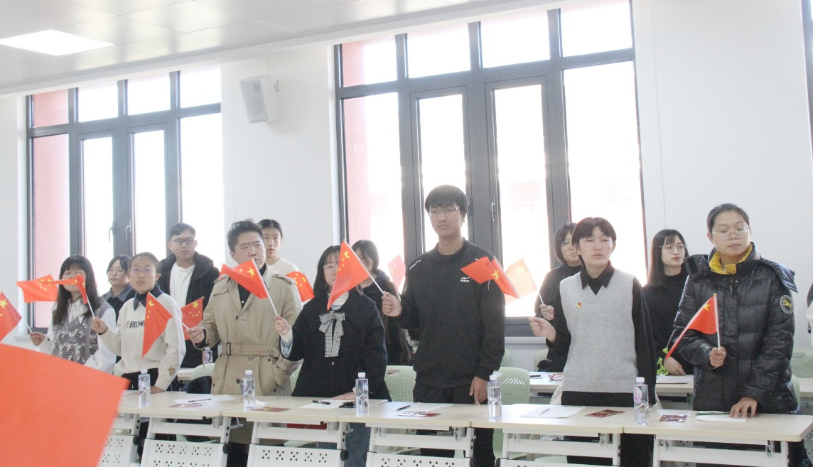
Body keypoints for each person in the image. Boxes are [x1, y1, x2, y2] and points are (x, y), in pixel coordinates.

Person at [673, 203, 808, 466]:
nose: (733, 235)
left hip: (768, 401)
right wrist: (707, 354)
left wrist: (753, 393)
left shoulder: (772, 277)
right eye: (724, 230)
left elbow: (779, 343)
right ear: (710, 236)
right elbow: (683, 335)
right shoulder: (698, 279)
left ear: (750, 231)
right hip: (714, 402)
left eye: (739, 228)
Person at [381, 185, 504, 467]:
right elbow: (413, 319)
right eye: (435, 211)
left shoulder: (483, 262)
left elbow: (495, 326)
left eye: (449, 210)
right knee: (432, 456)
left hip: (471, 380)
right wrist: (399, 312)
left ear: (463, 215)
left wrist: (484, 373)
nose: (442, 217)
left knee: (479, 456)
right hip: (429, 379)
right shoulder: (419, 266)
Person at [528, 217, 655, 467]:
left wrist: (646, 395)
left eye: (605, 240)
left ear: (613, 245)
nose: (598, 246)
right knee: (584, 462)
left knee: (633, 460)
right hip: (578, 391)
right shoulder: (566, 288)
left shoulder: (629, 284)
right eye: (589, 240)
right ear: (577, 248)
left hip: (624, 391)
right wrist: (551, 334)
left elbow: (645, 343)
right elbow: (565, 344)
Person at [188, 219, 302, 464]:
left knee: (267, 452)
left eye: (258, 245)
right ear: (233, 254)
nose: (253, 251)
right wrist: (202, 335)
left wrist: (278, 374)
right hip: (228, 379)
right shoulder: (221, 287)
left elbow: (299, 340)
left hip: (266, 378)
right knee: (232, 453)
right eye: (245, 247)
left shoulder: (283, 287)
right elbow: (210, 326)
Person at [275, 245, 390, 467]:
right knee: (327, 458)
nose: (335, 270)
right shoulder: (311, 309)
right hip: (322, 399)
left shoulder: (366, 308)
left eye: (340, 264)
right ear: (322, 272)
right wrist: (287, 334)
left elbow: (376, 356)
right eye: (329, 265)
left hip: (358, 400)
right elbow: (297, 351)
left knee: (357, 458)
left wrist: (356, 392)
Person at [92, 252, 185, 392]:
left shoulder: (166, 303)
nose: (141, 275)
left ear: (157, 276)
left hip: (157, 378)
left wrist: (161, 384)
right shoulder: (127, 306)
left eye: (147, 270)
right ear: (129, 275)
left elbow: (176, 349)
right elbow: (121, 349)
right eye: (135, 270)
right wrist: (104, 331)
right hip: (128, 378)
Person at [30, 255, 116, 373]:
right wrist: (44, 343)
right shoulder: (58, 312)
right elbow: (56, 352)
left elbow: (106, 356)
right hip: (63, 379)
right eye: (68, 273)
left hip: (91, 379)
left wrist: (79, 375)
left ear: (88, 277)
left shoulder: (102, 310)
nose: (72, 277)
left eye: (78, 273)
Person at [157, 223, 220, 368]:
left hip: (198, 341)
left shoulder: (209, 272)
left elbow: (215, 309)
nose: (184, 245)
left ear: (195, 243)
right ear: (170, 245)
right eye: (179, 241)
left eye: (188, 240)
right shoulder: (161, 273)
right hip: (168, 341)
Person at [643, 229, 692, 376]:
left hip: (698, 362)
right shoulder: (647, 293)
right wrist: (664, 358)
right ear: (658, 252)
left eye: (680, 247)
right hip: (667, 367)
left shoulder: (695, 286)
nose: (676, 252)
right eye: (669, 247)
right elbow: (646, 334)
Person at [533, 222, 580, 372]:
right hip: (559, 352)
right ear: (559, 248)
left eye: (574, 241)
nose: (571, 247)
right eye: (565, 243)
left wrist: (559, 313)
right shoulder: (552, 277)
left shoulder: (592, 274)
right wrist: (546, 314)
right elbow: (539, 312)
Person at [352, 239, 405, 364]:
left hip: (384, 350)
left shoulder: (386, 286)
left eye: (365, 256)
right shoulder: (350, 289)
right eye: (357, 257)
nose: (362, 261)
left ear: (374, 258)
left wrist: (401, 358)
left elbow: (397, 326)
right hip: (355, 353)